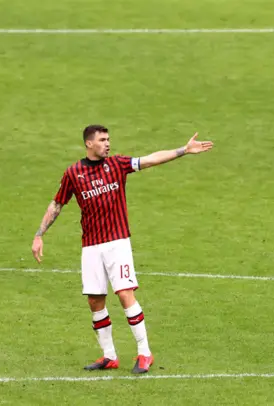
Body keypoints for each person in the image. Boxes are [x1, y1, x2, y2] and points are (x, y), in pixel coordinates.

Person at [31, 125, 214, 374]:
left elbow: (149, 160)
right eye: (102, 140)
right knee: (95, 300)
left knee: (125, 293)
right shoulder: (74, 173)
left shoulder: (117, 164)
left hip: (117, 243)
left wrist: (183, 150)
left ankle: (144, 353)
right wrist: (39, 234)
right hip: (91, 246)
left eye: (108, 139)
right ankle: (109, 356)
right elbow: (57, 203)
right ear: (89, 144)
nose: (108, 143)